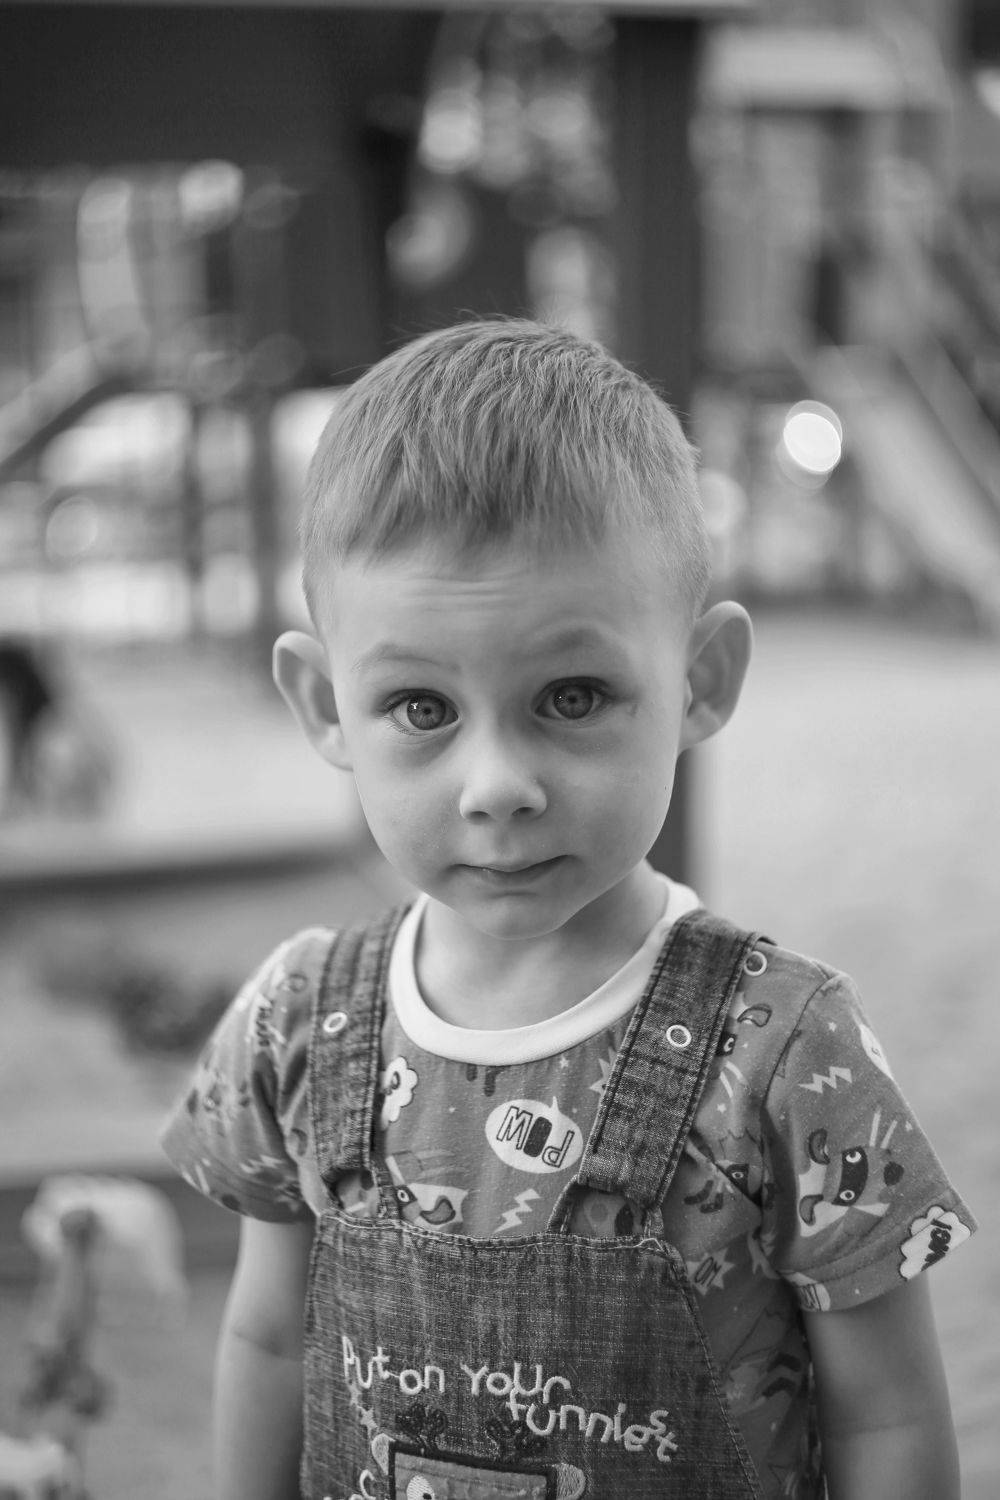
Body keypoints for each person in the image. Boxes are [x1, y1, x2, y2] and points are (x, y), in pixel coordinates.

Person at [161, 320, 975, 1500]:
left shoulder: (789, 1050)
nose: (497, 787)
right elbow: (267, 1341)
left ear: (699, 682)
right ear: (326, 706)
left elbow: (887, 1419)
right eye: (422, 708)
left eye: (572, 696)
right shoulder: (297, 1023)